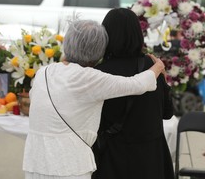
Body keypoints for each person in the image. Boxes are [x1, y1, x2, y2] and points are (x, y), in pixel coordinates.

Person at [22, 19, 165, 179]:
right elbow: (135, 84)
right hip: (69, 165)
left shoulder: (44, 72)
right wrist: (157, 67)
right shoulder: (90, 78)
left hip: (35, 160)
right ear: (99, 50)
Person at [92, 8, 174, 179]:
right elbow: (167, 113)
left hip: (113, 160)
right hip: (152, 160)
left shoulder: (99, 73)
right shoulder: (153, 68)